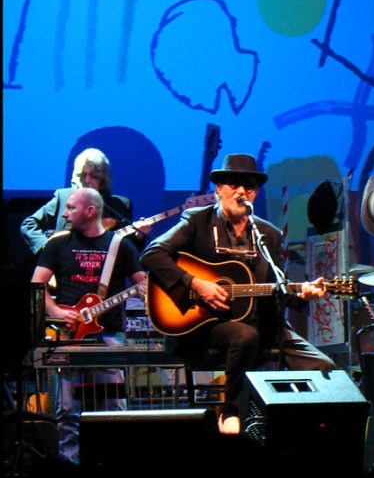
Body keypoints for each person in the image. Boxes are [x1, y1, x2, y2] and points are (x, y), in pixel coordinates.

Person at [140, 154, 334, 435]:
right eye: (234, 185)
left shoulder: (268, 235)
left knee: (324, 368)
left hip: (264, 322)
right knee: (244, 336)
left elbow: (279, 288)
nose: (242, 191)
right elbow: (152, 254)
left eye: (249, 187)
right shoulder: (197, 221)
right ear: (219, 189)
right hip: (208, 323)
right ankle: (231, 411)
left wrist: (303, 294)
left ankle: (295, 432)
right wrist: (196, 284)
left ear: (255, 194)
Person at [30, 187, 146, 464]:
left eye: (71, 207)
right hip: (69, 337)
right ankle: (70, 463)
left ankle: (112, 461)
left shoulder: (120, 245)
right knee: (67, 409)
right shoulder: (58, 244)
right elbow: (36, 286)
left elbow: (142, 284)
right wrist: (57, 311)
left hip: (109, 336)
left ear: (90, 211)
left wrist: (149, 289)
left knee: (113, 408)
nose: (64, 214)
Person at [21, 148, 143, 255]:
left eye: (93, 176)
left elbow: (129, 251)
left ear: (103, 179)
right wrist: (46, 248)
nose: (87, 180)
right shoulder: (63, 197)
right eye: (83, 175)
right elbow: (29, 224)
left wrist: (138, 236)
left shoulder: (120, 205)